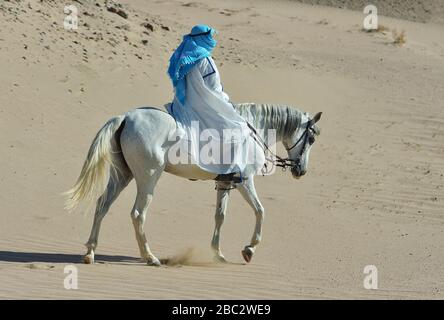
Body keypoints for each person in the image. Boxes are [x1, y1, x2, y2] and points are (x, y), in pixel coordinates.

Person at [166, 24, 265, 182]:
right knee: (239, 128)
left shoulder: (182, 57)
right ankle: (229, 171)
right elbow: (215, 89)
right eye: (210, 37)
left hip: (182, 105)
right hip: (203, 106)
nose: (212, 40)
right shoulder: (205, 59)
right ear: (203, 38)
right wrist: (227, 102)